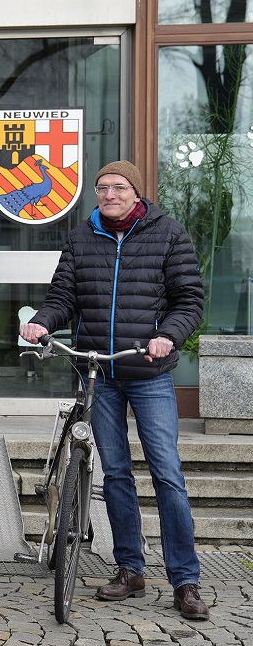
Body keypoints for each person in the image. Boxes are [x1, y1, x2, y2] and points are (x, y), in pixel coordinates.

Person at [20, 159, 209, 621]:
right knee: (116, 475)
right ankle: (131, 569)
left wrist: (169, 334)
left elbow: (190, 298)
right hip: (99, 373)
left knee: (167, 473)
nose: (109, 194)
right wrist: (43, 322)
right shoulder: (82, 236)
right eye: (103, 187)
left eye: (119, 187)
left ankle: (185, 579)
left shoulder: (168, 234)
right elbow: (64, 296)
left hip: (148, 371)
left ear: (136, 192)